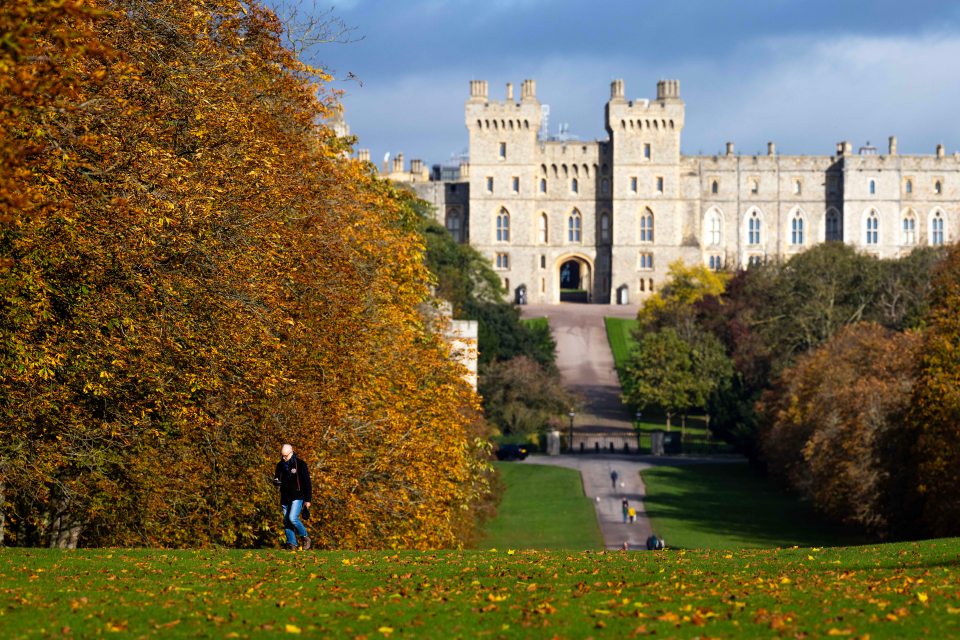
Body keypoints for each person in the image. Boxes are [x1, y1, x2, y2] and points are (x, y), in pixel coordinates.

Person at [274, 444, 312, 551]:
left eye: (286, 455)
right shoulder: (280, 465)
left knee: (292, 518)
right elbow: (276, 478)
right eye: (282, 455)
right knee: (286, 521)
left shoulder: (300, 464)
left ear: (292, 452)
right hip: (285, 496)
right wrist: (276, 482)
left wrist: (308, 500)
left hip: (298, 496)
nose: (283, 458)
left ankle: (305, 537)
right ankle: (292, 543)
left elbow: (307, 483)